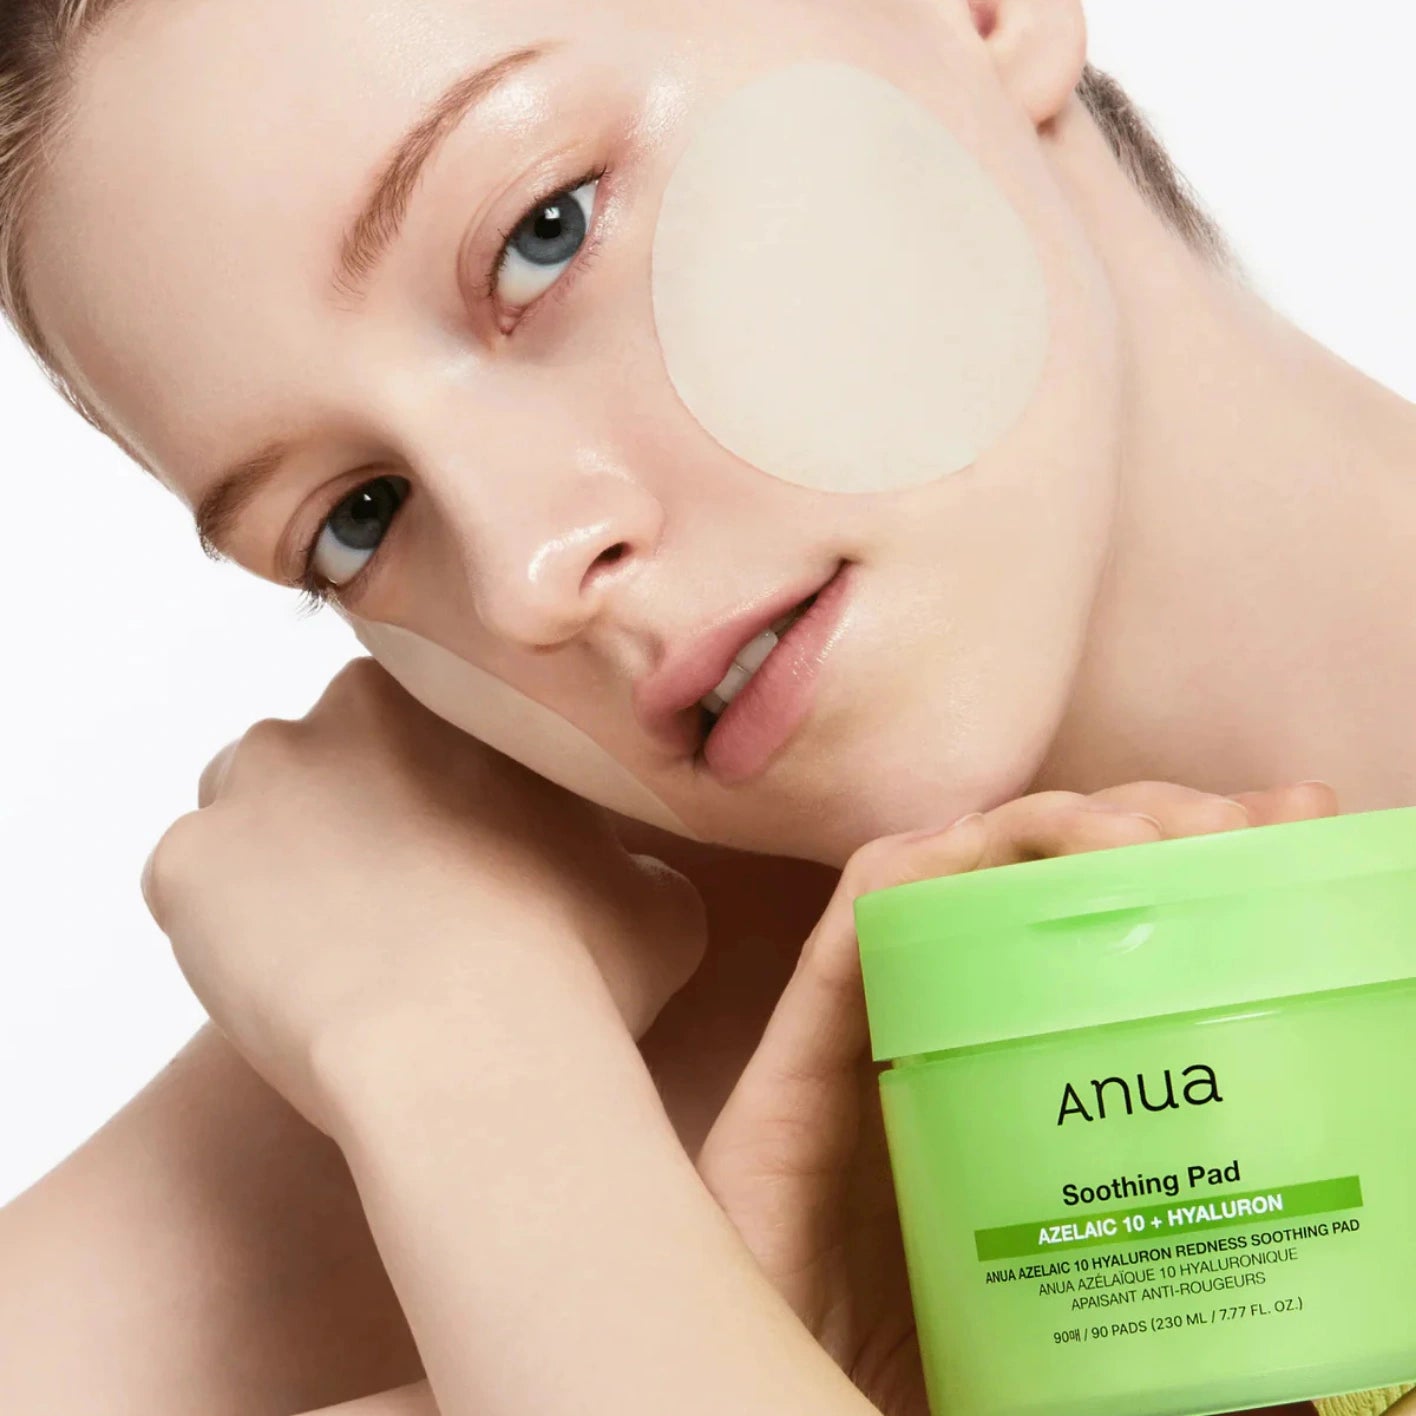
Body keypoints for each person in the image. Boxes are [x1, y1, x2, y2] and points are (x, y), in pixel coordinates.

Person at [0, 1, 1412, 1414]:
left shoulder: (486, 1070)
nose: (526, 573)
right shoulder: (481, 997)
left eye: (543, 231)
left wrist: (503, 1132)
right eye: (360, 515)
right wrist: (481, 1089)